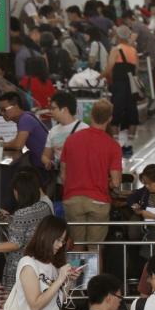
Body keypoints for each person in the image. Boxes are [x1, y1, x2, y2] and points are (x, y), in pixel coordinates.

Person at [0, 173, 51, 290]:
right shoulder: (44, 208)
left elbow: (15, 244)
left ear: (18, 191)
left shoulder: (22, 213)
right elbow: (29, 226)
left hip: (19, 266)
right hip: (40, 263)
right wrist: (10, 219)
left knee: (15, 302)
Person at [60, 99, 123, 246]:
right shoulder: (113, 145)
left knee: (76, 245)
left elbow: (63, 175)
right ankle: (93, 270)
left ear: (90, 115)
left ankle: (75, 270)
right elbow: (116, 182)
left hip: (72, 199)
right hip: (99, 201)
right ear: (110, 118)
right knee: (95, 249)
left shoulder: (71, 140)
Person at [104, 25, 139, 157]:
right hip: (131, 86)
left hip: (118, 85)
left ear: (118, 36)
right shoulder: (133, 50)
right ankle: (129, 145)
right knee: (132, 114)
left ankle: (116, 144)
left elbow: (108, 69)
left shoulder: (115, 49)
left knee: (116, 113)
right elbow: (136, 71)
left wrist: (101, 77)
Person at [0, 91, 50, 179]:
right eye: (1, 110)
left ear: (16, 106)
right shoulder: (26, 116)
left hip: (46, 169)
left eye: (4, 110)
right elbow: (17, 141)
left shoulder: (25, 119)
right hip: (41, 166)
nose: (2, 113)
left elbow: (18, 145)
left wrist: (0, 145)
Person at [41, 92, 87, 188]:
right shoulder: (53, 131)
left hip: (80, 183)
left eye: (53, 108)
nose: (51, 111)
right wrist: (48, 162)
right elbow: (45, 155)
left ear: (64, 109)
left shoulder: (85, 130)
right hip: (60, 183)